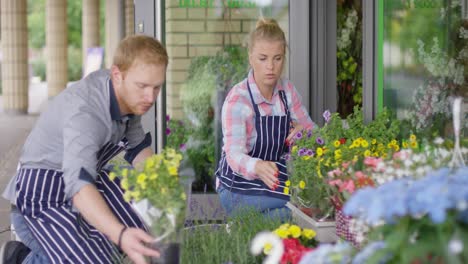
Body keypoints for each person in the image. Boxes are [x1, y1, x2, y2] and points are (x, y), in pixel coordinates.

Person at [0, 35, 167, 264]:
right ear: (118, 75)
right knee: (93, 258)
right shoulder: (86, 113)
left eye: (156, 87)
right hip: (42, 194)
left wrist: (162, 194)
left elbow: (137, 147)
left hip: (81, 180)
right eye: (143, 86)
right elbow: (79, 190)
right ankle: (21, 259)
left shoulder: (129, 96)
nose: (150, 97)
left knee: (142, 210)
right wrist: (120, 235)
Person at [215, 18, 315, 221]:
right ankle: (247, 228)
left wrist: (304, 133)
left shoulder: (287, 91)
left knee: (290, 213)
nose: (271, 67)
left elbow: (312, 131)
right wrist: (258, 167)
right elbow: (233, 155)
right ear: (250, 57)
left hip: (275, 179)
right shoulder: (238, 99)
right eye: (263, 58)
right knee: (303, 207)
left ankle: (243, 231)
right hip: (238, 186)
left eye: (277, 58)